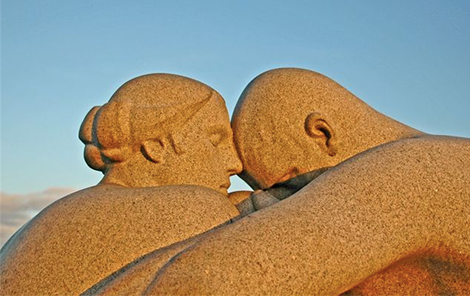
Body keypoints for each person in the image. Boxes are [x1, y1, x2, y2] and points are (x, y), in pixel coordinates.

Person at [90, 68, 469, 295]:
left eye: (288, 184)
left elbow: (205, 283)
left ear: (322, 133)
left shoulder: (411, 171)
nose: (282, 202)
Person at [0, 74, 242, 296]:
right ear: (156, 145)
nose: (235, 163)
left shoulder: (52, 217)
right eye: (216, 140)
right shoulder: (196, 209)